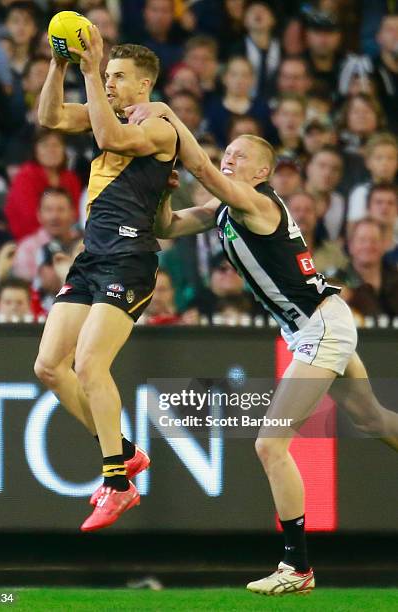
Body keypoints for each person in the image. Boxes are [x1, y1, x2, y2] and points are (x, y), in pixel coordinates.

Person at [125, 99, 398, 595]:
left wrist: (166, 114)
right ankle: (297, 567)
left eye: (238, 155)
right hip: (316, 324)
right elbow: (168, 228)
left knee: (270, 444)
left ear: (263, 171)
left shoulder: (259, 202)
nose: (228, 158)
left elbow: (203, 169)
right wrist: (164, 195)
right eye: (227, 152)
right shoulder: (226, 208)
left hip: (321, 327)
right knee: (373, 420)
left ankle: (297, 567)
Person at [34, 28, 178, 532]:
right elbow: (49, 117)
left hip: (130, 259)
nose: (111, 84)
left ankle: (117, 484)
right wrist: (60, 65)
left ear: (145, 85)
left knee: (91, 364)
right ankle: (126, 452)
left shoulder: (161, 128)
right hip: (93, 257)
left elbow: (111, 140)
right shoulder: (107, 112)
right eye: (109, 75)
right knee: (50, 367)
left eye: (120, 77)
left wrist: (92, 69)